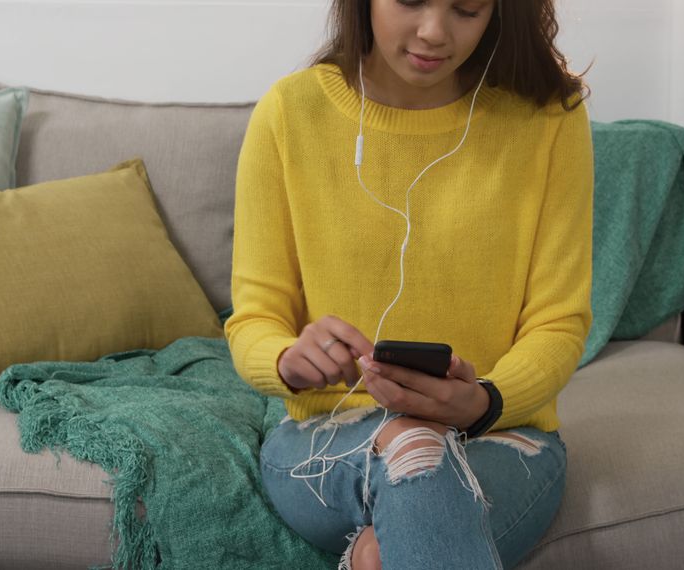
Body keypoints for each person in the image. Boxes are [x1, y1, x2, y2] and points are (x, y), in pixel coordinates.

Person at [225, 0, 592, 568]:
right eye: (411, 1)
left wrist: (483, 402)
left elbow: (559, 322)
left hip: (501, 436)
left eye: (466, 9)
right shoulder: (290, 112)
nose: (433, 32)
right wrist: (286, 361)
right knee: (415, 446)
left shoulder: (548, 117)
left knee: (392, 534)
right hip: (328, 436)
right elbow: (254, 317)